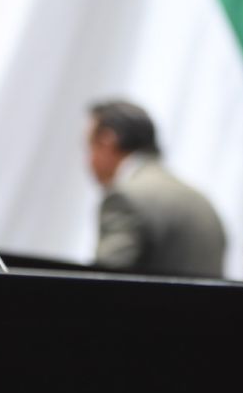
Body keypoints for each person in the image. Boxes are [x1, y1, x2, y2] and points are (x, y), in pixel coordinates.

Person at [87, 99, 226, 279]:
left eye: (89, 147)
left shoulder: (124, 199)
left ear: (107, 141)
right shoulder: (199, 199)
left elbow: (102, 283)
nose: (88, 161)